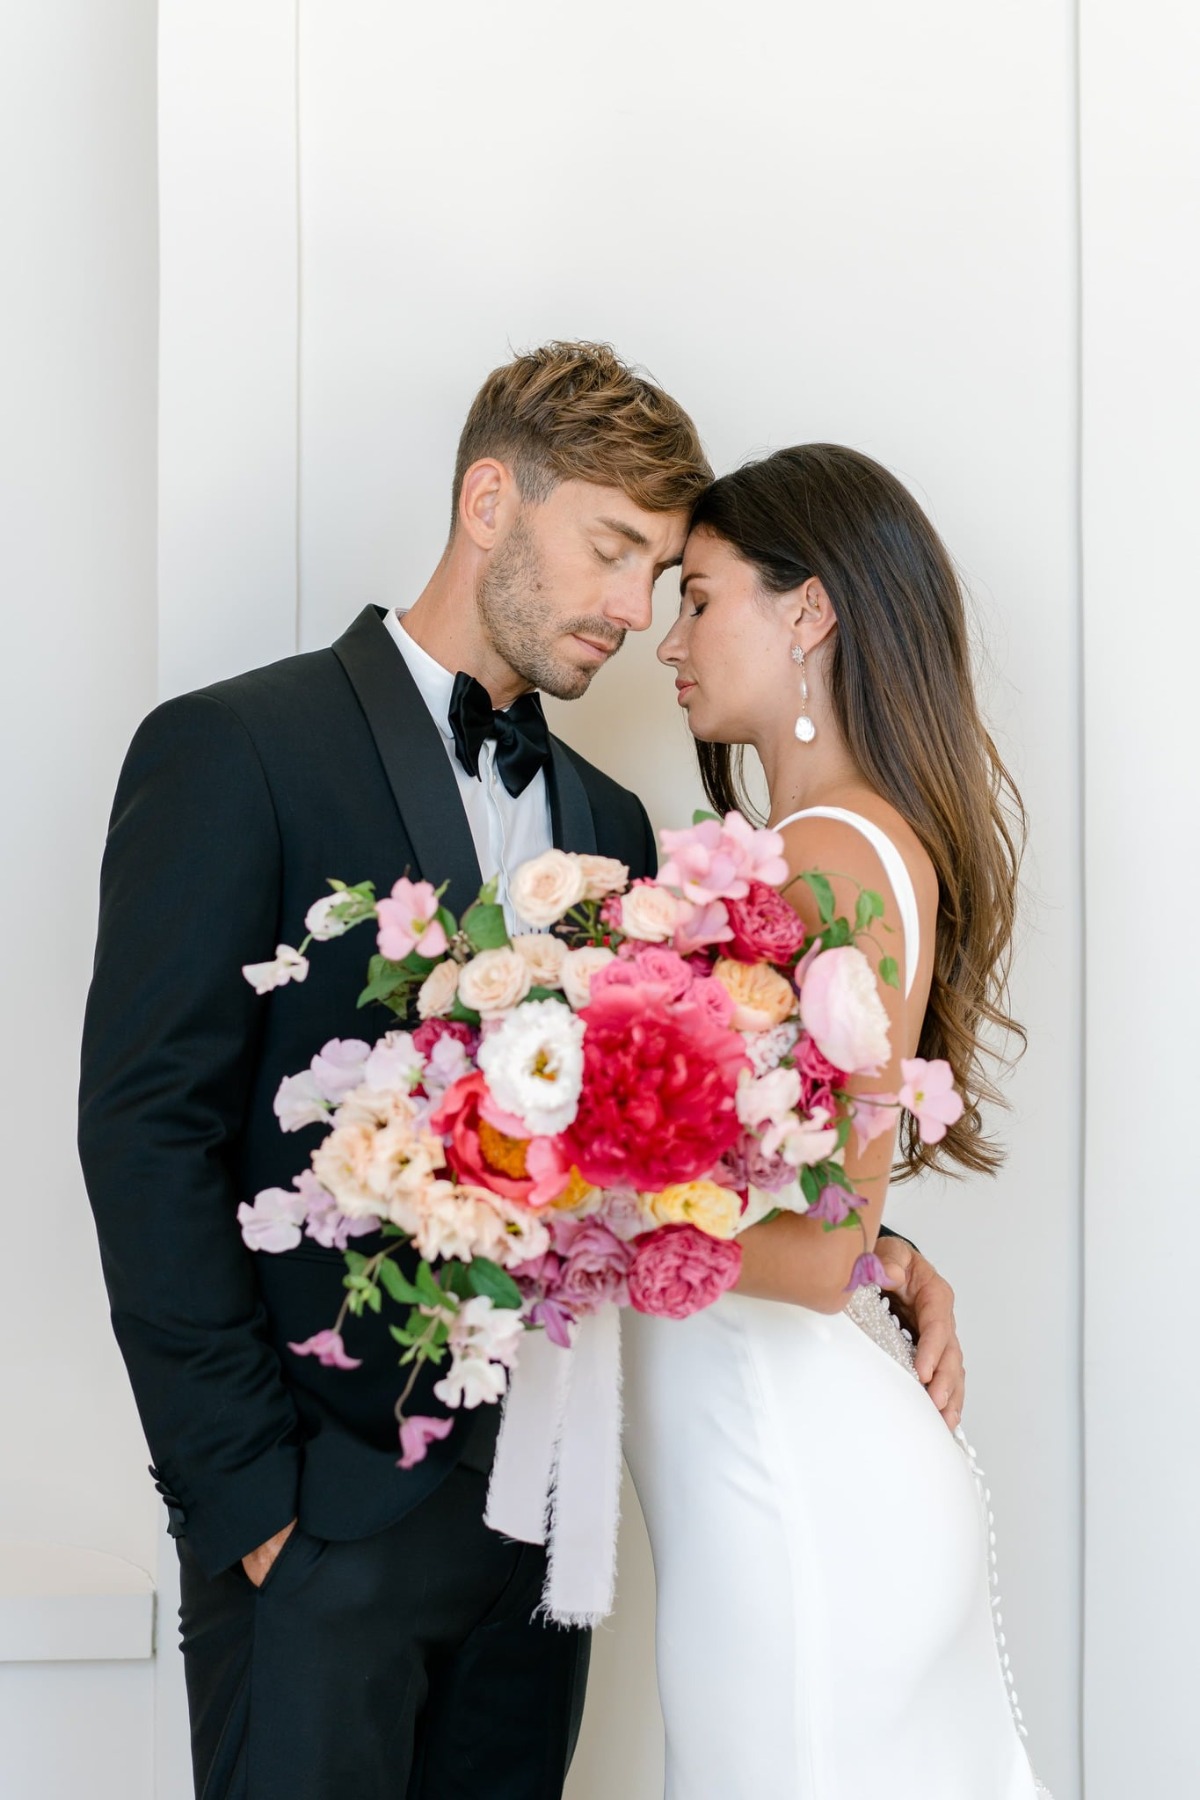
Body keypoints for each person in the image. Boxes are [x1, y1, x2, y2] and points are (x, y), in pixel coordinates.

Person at [78, 346, 965, 1800]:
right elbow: (142, 1135)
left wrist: (876, 1249)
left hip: (544, 1552)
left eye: (664, 569)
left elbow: (673, 1142)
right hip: (315, 1529)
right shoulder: (237, 749)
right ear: (491, 499)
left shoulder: (615, 826)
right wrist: (248, 1507)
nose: (633, 611)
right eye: (613, 550)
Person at [624, 442, 1050, 1798]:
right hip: (798, 1471)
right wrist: (889, 1252)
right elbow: (820, 1211)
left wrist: (560, 1204)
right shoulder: (862, 840)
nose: (668, 642)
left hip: (788, 1489)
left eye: (699, 596)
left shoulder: (822, 859)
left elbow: (808, 1254)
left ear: (809, 612)